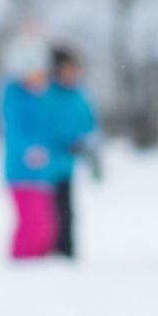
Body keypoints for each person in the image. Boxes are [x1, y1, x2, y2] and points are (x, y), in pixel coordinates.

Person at [0, 34, 56, 260]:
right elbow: (16, 131)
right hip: (21, 172)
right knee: (31, 222)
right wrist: (29, 150)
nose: (40, 79)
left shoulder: (39, 97)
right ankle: (22, 259)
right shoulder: (14, 97)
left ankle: (39, 259)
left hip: (41, 172)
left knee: (45, 224)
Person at [44, 45, 100, 259]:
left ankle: (66, 251)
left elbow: (89, 123)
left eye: (74, 69)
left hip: (67, 163)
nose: (72, 73)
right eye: (67, 69)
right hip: (46, 164)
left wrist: (88, 150)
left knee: (66, 211)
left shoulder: (79, 95)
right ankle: (51, 249)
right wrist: (60, 142)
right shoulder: (47, 94)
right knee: (49, 212)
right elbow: (43, 126)